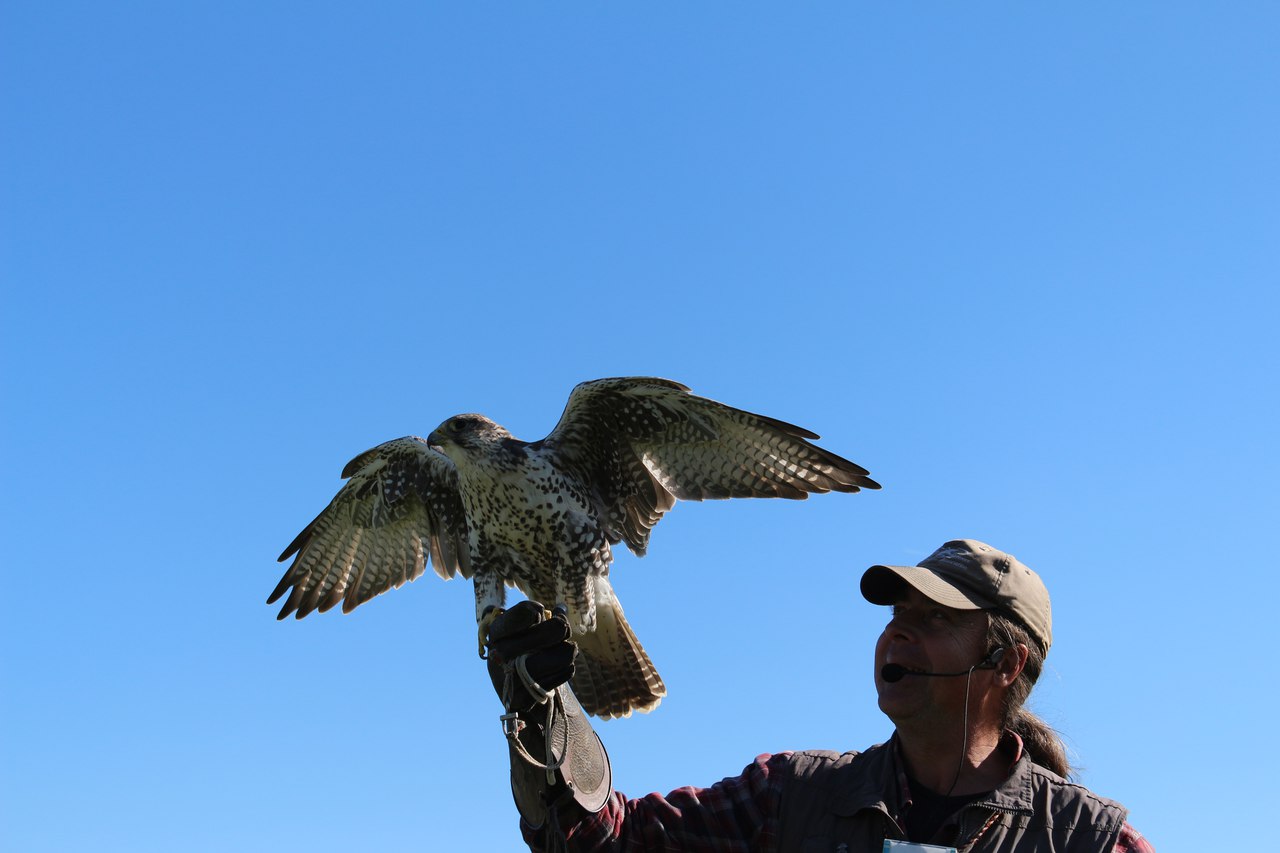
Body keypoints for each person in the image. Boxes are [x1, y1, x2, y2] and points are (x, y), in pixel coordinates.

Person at [486, 539, 1154, 852]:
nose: (898, 633)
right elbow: (615, 843)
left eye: (936, 620)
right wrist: (544, 721)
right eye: (896, 616)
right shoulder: (794, 795)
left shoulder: (1088, 840)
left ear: (1007, 663)